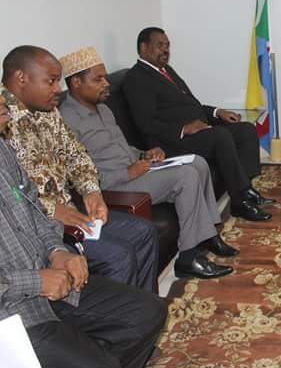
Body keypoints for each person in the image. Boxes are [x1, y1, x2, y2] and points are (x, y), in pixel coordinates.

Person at [0, 93, 168, 368]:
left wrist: (57, 251)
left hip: (53, 287)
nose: (4, 104)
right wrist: (36, 281)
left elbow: (37, 211)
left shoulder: (3, 150)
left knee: (148, 312)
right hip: (10, 316)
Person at [58, 47, 235, 280]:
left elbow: (120, 147)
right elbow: (77, 174)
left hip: (136, 170)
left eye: (105, 78)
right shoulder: (65, 121)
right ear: (76, 83)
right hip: (114, 186)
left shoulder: (103, 108)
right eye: (98, 79)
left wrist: (144, 154)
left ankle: (207, 235)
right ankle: (188, 257)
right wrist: (128, 173)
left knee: (198, 162)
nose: (106, 84)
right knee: (186, 176)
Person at [0, 46, 159, 293]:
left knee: (144, 232)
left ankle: (144, 308)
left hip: (72, 214)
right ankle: (121, 314)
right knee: (119, 255)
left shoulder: (48, 110)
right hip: (36, 231)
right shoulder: (3, 120)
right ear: (21, 78)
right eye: (51, 81)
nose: (58, 89)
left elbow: (76, 154)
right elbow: (12, 195)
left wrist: (91, 191)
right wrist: (51, 210)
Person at [123, 27, 273, 221]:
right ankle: (240, 201)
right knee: (220, 136)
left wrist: (218, 112)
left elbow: (191, 105)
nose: (165, 50)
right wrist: (183, 129)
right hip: (170, 142)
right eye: (159, 45)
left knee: (246, 130)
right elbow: (145, 124)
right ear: (144, 48)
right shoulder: (136, 78)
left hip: (196, 132)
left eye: (167, 45)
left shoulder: (166, 70)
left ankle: (246, 188)